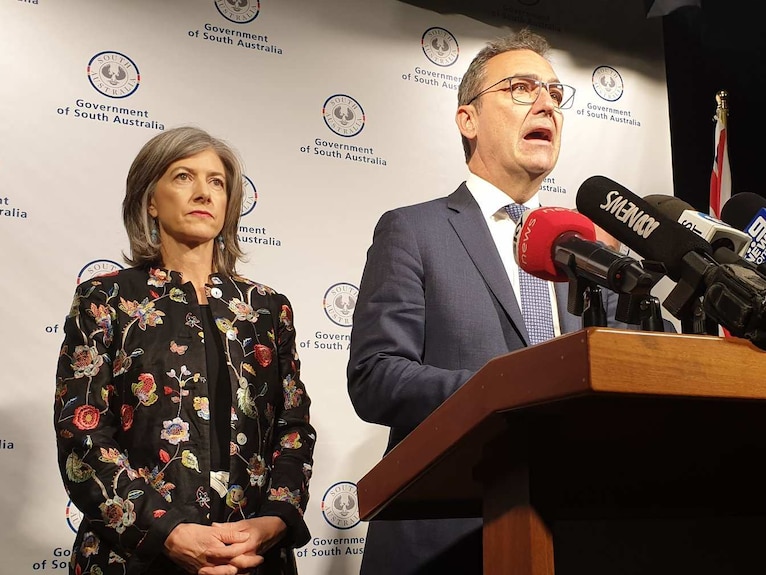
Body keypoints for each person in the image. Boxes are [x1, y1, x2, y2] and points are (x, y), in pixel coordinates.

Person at [346, 28, 637, 574]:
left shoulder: (589, 246)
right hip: (447, 536)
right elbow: (375, 376)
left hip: (576, 531)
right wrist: (509, 391)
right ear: (468, 119)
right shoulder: (414, 230)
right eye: (521, 88)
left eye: (554, 93)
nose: (546, 103)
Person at [54, 126, 315, 575]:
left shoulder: (266, 310)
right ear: (150, 201)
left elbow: (292, 431)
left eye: (216, 181)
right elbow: (83, 433)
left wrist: (273, 521)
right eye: (182, 176)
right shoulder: (107, 299)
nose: (203, 192)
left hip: (251, 559)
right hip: (134, 557)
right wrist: (167, 532)